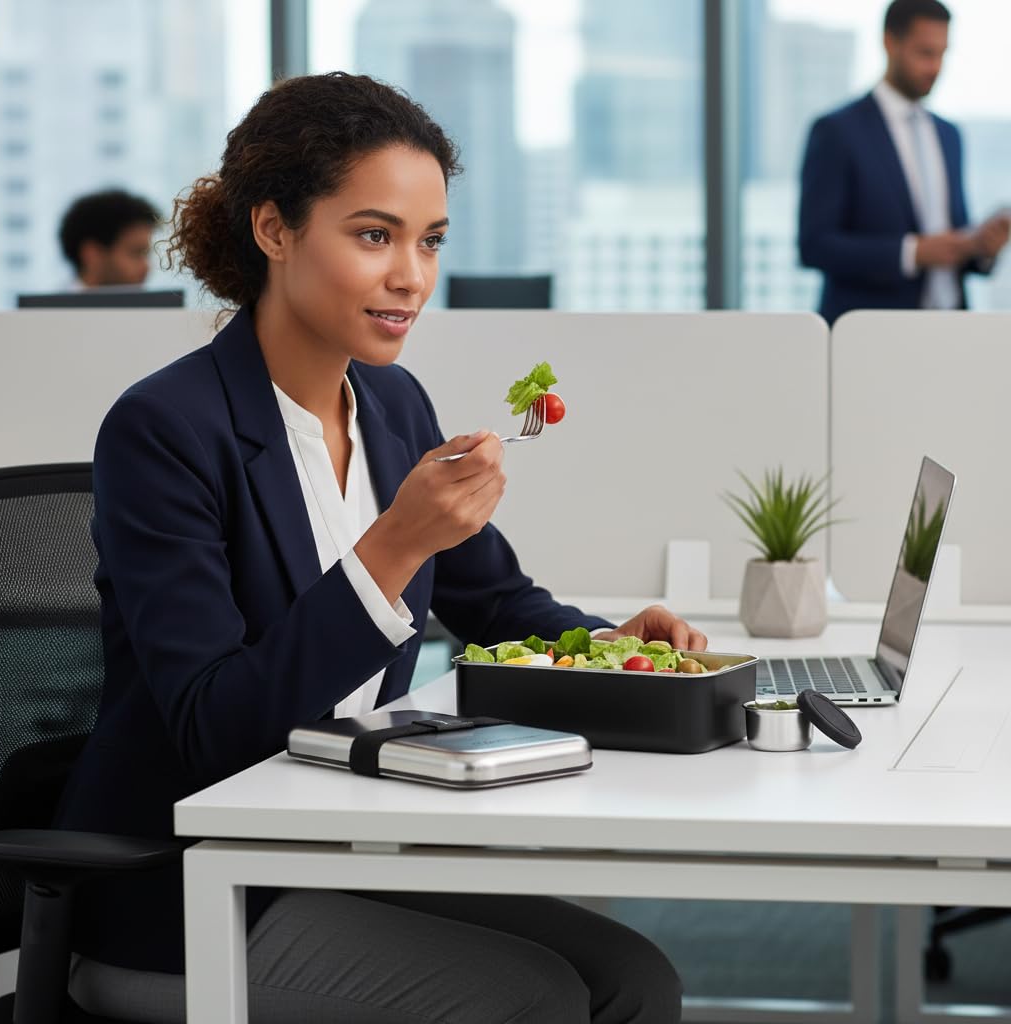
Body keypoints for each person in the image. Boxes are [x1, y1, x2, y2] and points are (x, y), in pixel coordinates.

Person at [55, 72, 707, 1023]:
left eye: (430, 240)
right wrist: (393, 545)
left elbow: (496, 604)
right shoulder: (166, 428)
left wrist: (612, 645)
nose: (412, 274)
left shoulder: (395, 405)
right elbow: (215, 726)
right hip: (188, 893)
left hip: (334, 848)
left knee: (636, 981)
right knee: (535, 1002)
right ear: (274, 231)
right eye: (375, 235)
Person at [798, 0, 1010, 324]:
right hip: (872, 331)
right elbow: (814, 245)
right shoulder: (837, 132)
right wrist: (912, 253)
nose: (936, 67)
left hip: (951, 326)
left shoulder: (948, 134)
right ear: (889, 43)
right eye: (925, 53)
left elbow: (952, 235)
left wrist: (980, 247)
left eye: (942, 54)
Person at [58, 188, 161, 288]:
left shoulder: (153, 305)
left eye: (146, 254)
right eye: (135, 253)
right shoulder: (51, 306)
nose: (147, 267)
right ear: (92, 254)